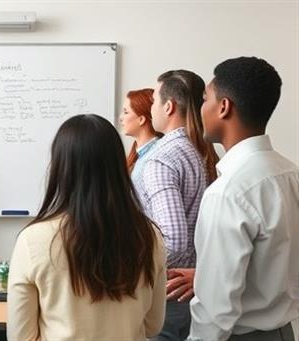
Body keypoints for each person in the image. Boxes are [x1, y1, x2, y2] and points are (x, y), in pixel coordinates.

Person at [7, 114, 166, 340]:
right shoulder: (149, 236)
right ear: (117, 167)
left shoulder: (32, 240)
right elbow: (153, 326)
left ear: (60, 168)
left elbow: (19, 337)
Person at [189, 57, 299, 340]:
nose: (200, 109)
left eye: (204, 99)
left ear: (223, 107)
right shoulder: (291, 173)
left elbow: (214, 313)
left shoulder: (228, 193)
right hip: (284, 332)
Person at [133, 70, 209, 341]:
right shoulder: (196, 151)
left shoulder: (161, 159)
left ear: (169, 106)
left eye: (153, 100)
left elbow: (174, 240)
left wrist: (129, 271)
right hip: (187, 295)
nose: (151, 107)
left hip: (165, 298)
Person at [119, 88, 162, 179]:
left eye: (126, 112)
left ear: (141, 120)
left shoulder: (156, 158)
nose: (121, 118)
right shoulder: (138, 154)